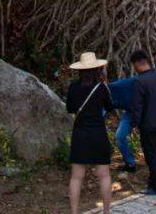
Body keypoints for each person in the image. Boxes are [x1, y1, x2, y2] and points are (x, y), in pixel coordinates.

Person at [66, 52, 114, 214]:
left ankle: (74, 212)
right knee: (104, 175)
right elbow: (110, 108)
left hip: (80, 134)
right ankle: (106, 212)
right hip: (98, 134)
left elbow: (70, 109)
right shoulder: (101, 88)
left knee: (76, 177)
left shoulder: (73, 87)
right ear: (97, 69)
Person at [129, 50, 156, 195]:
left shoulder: (139, 81)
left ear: (137, 64)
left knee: (151, 155)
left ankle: (155, 186)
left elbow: (137, 106)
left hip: (148, 124)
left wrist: (134, 124)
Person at [106, 74, 138, 172]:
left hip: (144, 111)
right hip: (129, 112)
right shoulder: (103, 96)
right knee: (120, 136)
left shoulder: (121, 85)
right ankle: (130, 163)